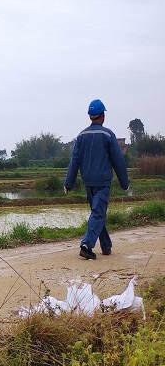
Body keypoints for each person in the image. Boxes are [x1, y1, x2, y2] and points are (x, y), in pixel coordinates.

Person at [64, 99, 129, 260]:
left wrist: (68, 183)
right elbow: (118, 160)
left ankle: (106, 246)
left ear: (91, 116)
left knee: (97, 212)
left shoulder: (81, 136)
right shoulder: (108, 135)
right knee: (98, 213)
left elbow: (75, 161)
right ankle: (86, 245)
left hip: (88, 183)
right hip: (102, 183)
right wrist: (124, 183)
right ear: (103, 116)